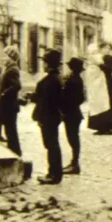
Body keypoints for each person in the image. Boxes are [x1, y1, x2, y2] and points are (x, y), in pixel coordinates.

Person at [32, 49, 64, 185]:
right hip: (51, 116)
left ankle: (54, 174)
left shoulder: (51, 80)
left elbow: (46, 101)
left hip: (48, 117)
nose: (43, 65)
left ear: (49, 64)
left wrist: (40, 117)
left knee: (51, 145)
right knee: (52, 145)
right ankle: (54, 173)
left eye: (44, 62)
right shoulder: (55, 79)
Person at [0, 45, 23, 156]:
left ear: (11, 57)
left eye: (5, 55)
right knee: (9, 131)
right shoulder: (9, 69)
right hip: (8, 106)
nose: (3, 58)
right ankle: (13, 152)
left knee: (11, 132)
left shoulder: (13, 70)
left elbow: (16, 85)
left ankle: (16, 153)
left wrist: (3, 95)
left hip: (9, 106)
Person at [86, 43, 112, 134]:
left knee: (109, 103)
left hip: (108, 83)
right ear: (101, 49)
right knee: (97, 102)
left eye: (109, 48)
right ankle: (99, 127)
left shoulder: (111, 59)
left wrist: (100, 64)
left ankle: (109, 127)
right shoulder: (96, 57)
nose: (107, 50)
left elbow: (109, 70)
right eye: (105, 48)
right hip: (97, 82)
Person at [62, 57, 86, 175]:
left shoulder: (74, 80)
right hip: (72, 113)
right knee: (72, 138)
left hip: (72, 114)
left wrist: (70, 104)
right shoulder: (73, 78)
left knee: (73, 138)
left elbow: (80, 97)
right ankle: (73, 163)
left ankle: (75, 164)